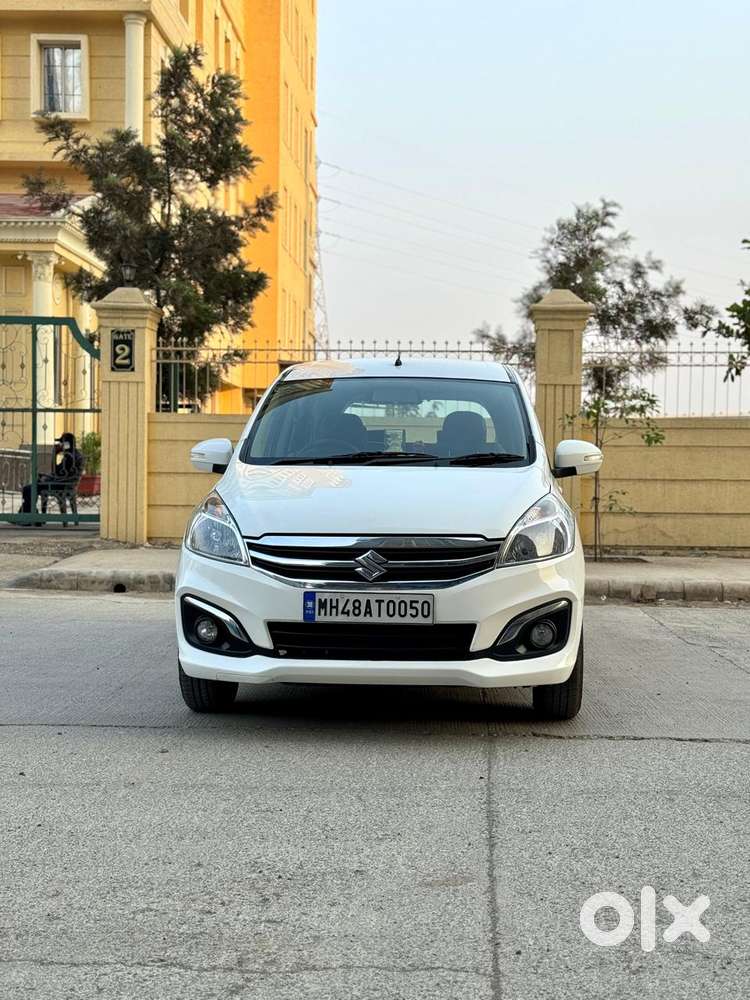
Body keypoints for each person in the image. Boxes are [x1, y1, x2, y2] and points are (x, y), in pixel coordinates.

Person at [20, 432, 85, 519]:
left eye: (62, 443)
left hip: (60, 485)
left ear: (67, 444)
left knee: (28, 489)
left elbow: (55, 471)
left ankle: (29, 516)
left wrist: (54, 454)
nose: (60, 445)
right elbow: (60, 473)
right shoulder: (75, 454)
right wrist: (46, 477)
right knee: (35, 484)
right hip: (65, 484)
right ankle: (30, 513)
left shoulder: (69, 457)